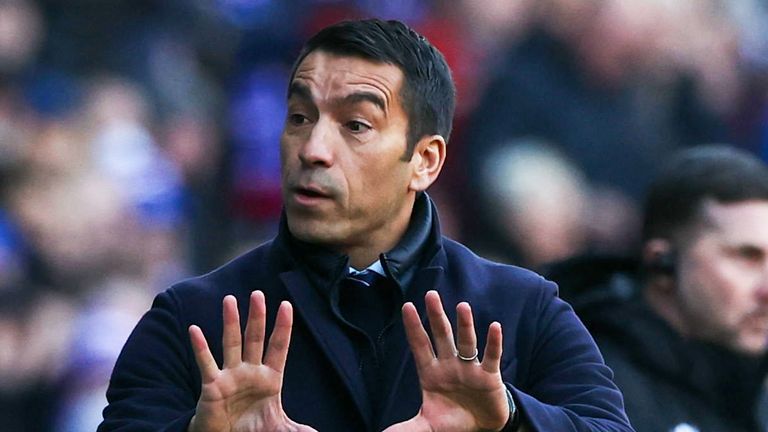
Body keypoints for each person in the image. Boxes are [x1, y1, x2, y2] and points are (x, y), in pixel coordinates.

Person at [98, 19, 632, 432]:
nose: (312, 149)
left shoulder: (521, 310)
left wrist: (510, 417)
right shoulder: (194, 319)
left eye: (356, 125)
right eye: (299, 117)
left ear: (425, 160)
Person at [547, 145, 768, 431]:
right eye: (746, 257)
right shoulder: (588, 393)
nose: (765, 290)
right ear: (662, 264)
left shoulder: (753, 391)